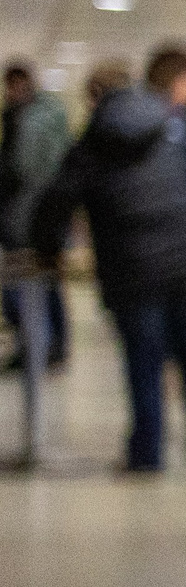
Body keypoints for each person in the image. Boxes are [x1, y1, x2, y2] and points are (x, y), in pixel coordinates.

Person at [30, 47, 186, 473]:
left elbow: (58, 199)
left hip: (131, 268)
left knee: (144, 362)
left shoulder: (93, 139)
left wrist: (45, 246)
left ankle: (148, 453)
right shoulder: (179, 128)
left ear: (95, 97)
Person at [1, 61, 72, 372]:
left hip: (40, 215)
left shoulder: (44, 118)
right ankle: (32, 346)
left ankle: (51, 346)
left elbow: (40, 170)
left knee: (46, 282)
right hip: (16, 214)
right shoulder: (13, 117)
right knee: (19, 285)